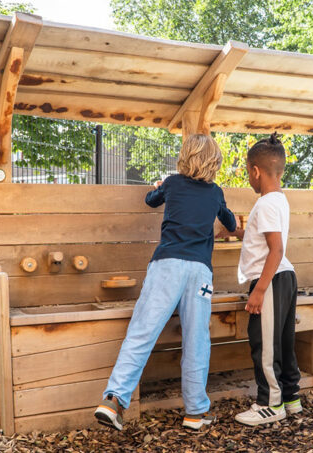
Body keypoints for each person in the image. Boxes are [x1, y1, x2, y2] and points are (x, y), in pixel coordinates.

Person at [94, 134, 236, 431]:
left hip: (166, 266)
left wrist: (158, 187)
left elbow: (150, 200)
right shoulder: (215, 193)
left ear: (184, 157)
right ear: (214, 162)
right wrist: (223, 211)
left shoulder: (171, 183)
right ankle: (195, 412)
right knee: (197, 341)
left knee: (141, 332)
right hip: (199, 273)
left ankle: (113, 399)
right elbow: (232, 224)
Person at [218, 133, 300, 426]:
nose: (248, 178)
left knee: (264, 345)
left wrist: (259, 291)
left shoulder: (264, 204)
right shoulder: (278, 201)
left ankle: (269, 404)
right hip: (285, 278)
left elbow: (275, 250)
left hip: (271, 279)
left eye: (247, 172)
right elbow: (264, 239)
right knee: (283, 343)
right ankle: (290, 398)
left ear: (255, 170)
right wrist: (236, 232)